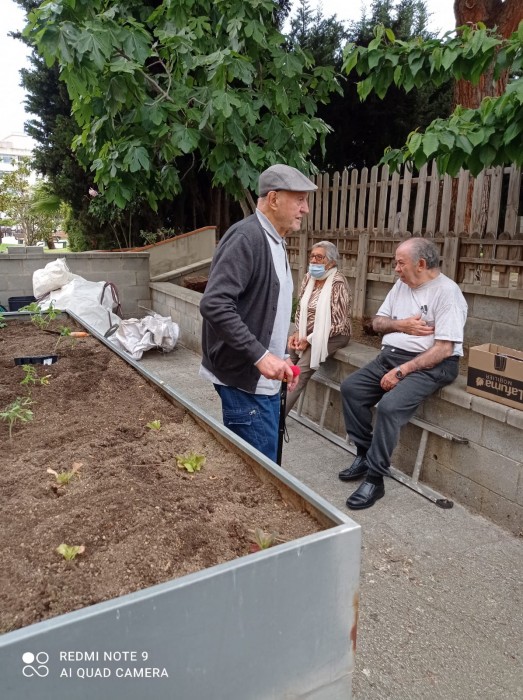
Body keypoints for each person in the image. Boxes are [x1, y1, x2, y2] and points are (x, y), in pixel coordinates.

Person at [199, 164, 317, 462]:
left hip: (261, 380)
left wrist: (281, 354)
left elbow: (265, 308)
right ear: (274, 199)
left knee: (266, 469)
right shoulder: (247, 238)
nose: (305, 209)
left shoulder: (275, 240)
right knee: (261, 476)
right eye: (299, 200)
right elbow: (215, 304)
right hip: (245, 383)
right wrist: (261, 356)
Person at [339, 237, 468, 510]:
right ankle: (365, 454)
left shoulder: (447, 293)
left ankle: (375, 479)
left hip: (431, 365)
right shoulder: (401, 285)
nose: (396, 269)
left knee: (389, 407)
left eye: (400, 263)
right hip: (390, 357)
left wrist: (402, 371)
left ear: (420, 264)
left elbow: (444, 349)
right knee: (351, 389)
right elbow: (376, 323)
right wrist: (402, 326)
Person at [285, 241, 352, 416]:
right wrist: (297, 332)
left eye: (319, 257)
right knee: (287, 359)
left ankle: (275, 421)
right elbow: (300, 308)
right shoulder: (309, 278)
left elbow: (338, 323)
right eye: (312, 256)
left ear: (331, 262)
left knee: (301, 371)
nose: (314, 260)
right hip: (306, 332)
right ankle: (270, 406)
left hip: (333, 335)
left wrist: (309, 339)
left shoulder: (338, 283)